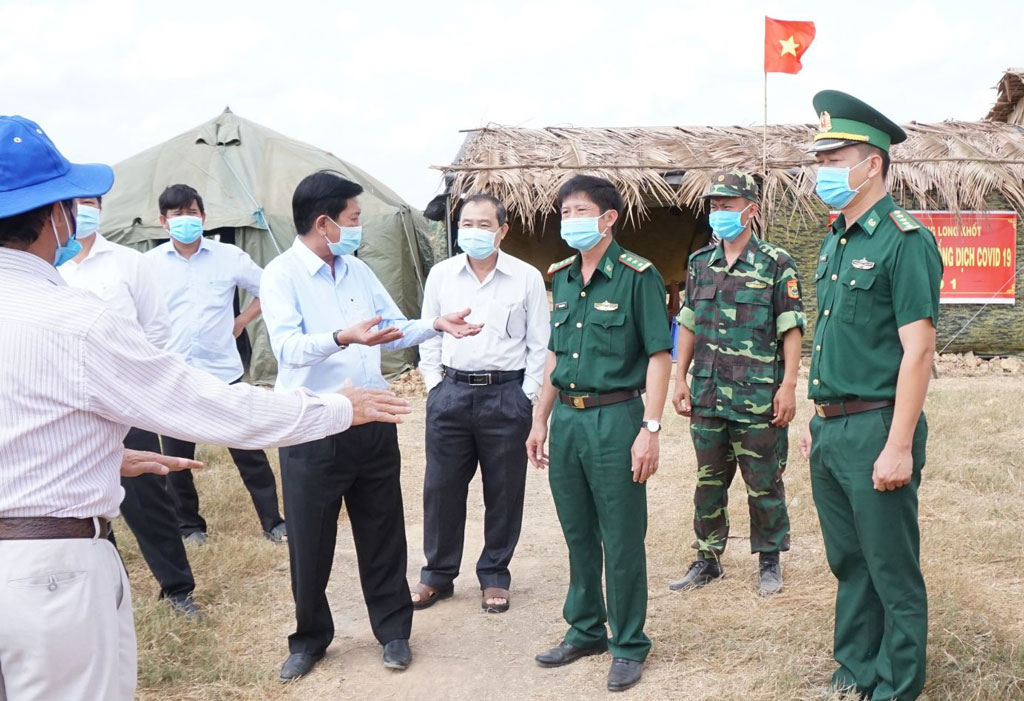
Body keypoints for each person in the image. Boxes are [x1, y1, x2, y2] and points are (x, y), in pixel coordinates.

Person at [0, 115, 410, 700]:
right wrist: (336, 409)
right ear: (54, 214)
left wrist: (100, 457)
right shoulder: (79, 321)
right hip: (48, 575)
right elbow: (204, 405)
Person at [260, 170, 483, 682]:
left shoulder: (356, 271)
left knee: (382, 531)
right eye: (354, 219)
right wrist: (341, 337)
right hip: (313, 424)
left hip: (372, 420)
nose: (359, 227)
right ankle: (310, 639)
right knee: (310, 542)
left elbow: (388, 327)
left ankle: (394, 632)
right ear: (324, 223)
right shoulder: (280, 276)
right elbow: (287, 348)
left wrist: (436, 325)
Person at [798, 91, 942, 701]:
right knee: (849, 561)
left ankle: (897, 684)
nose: (822, 169)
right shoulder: (837, 240)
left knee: (890, 567)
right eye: (819, 158)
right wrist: (816, 415)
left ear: (874, 163)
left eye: (835, 157)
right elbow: (835, 340)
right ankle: (857, 666)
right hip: (832, 428)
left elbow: (919, 352)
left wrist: (899, 445)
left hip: (878, 428)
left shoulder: (903, 241)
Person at [526, 175, 673, 692]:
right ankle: (586, 628)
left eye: (580, 211)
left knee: (622, 536)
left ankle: (628, 643)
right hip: (566, 418)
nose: (570, 221)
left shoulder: (639, 276)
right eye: (564, 212)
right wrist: (540, 418)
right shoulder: (563, 276)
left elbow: (660, 355)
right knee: (577, 531)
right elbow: (553, 355)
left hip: (616, 419)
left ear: (609, 217)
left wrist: (649, 428)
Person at [60, 195, 202, 617]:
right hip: (69, 406)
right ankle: (107, 591)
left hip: (124, 403)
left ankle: (178, 590)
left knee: (147, 498)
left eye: (89, 203)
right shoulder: (48, 268)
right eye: (74, 204)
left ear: (101, 208)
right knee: (83, 501)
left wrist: (138, 387)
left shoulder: (127, 262)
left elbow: (156, 328)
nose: (82, 211)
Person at [668, 170, 805, 596]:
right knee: (708, 480)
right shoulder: (699, 264)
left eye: (727, 205)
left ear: (751, 210)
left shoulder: (776, 263)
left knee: (763, 480)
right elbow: (687, 323)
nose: (718, 213)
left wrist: (788, 386)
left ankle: (769, 561)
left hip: (757, 394)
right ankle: (707, 560)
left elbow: (791, 328)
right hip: (707, 392)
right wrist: (680, 378)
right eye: (714, 205)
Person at [412, 193, 549, 614]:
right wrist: (435, 384)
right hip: (451, 393)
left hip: (506, 395)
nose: (473, 232)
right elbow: (429, 332)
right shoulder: (441, 275)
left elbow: (539, 346)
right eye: (466, 224)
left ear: (502, 230)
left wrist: (525, 397)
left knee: (504, 490)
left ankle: (494, 574)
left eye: (483, 224)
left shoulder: (526, 278)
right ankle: (437, 574)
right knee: (441, 488)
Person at [145, 184, 286, 545]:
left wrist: (242, 321)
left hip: (223, 371)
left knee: (248, 449)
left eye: (192, 213)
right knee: (176, 459)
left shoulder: (229, 256)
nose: (185, 220)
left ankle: (273, 522)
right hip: (174, 374)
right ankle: (190, 527)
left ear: (203, 217)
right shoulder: (149, 265)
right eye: (177, 215)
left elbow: (267, 288)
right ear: (164, 222)